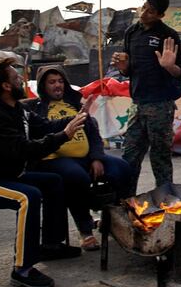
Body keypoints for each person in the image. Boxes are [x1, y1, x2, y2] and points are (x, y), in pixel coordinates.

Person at [0, 58, 84, 287]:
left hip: (6, 175)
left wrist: (79, 117)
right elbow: (23, 150)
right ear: (6, 86)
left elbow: (44, 126)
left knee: (54, 182)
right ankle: (22, 269)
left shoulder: (18, 109)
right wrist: (64, 135)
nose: (22, 81)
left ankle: (51, 245)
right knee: (28, 196)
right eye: (17, 78)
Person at [24, 65, 132, 251]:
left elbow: (94, 136)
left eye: (60, 81)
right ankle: (86, 229)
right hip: (54, 159)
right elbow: (13, 114)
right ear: (43, 86)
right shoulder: (35, 108)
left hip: (87, 157)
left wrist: (96, 157)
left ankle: (115, 219)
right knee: (76, 177)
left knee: (122, 168)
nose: (57, 85)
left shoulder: (75, 104)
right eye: (52, 82)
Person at [111, 0, 181, 195]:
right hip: (137, 102)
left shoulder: (168, 35)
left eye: (151, 11)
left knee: (160, 157)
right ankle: (126, 203)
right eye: (144, 6)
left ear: (160, 15)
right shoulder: (131, 32)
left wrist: (169, 67)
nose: (144, 12)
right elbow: (128, 69)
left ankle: (165, 202)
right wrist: (123, 66)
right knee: (130, 156)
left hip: (161, 104)